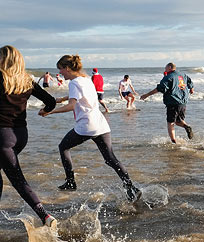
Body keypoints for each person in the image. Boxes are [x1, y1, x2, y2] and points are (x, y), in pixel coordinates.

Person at [39, 55, 141, 202]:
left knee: (63, 147)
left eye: (61, 70)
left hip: (86, 126)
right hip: (101, 124)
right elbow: (80, 96)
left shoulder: (74, 83)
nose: (61, 73)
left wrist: (50, 112)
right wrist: (61, 99)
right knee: (110, 159)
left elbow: (72, 106)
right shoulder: (86, 79)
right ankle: (131, 187)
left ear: (67, 68)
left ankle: (70, 181)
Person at [0, 46, 56, 227]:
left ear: (2, 59)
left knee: (17, 179)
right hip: (21, 136)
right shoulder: (26, 81)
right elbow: (51, 101)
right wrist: (45, 111)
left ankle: (45, 216)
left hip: (2, 137)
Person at [140, 63, 194, 143]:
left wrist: (147, 95)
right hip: (183, 102)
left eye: (165, 67)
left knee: (170, 122)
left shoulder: (169, 77)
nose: (164, 69)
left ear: (170, 67)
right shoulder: (182, 74)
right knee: (178, 120)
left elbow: (160, 89)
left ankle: (173, 141)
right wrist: (191, 89)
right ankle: (187, 126)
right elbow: (190, 82)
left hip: (173, 102)